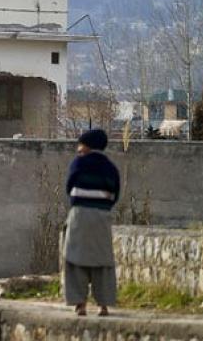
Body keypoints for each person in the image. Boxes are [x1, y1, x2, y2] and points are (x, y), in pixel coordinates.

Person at [63, 129, 120, 317]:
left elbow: (69, 187)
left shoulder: (78, 163)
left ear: (88, 146)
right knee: (102, 262)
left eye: (80, 145)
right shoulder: (110, 168)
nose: (78, 149)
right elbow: (115, 195)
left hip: (79, 215)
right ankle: (103, 305)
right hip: (102, 217)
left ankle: (80, 304)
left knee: (75, 259)